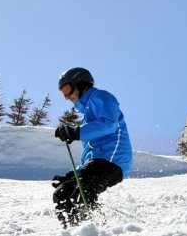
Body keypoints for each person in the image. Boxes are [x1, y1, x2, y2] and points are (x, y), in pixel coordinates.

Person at [51, 67, 132, 228]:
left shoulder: (102, 97)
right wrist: (73, 174)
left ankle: (97, 228)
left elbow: (109, 124)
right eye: (62, 93)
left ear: (80, 83)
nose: (66, 96)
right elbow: (90, 154)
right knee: (62, 193)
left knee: (82, 192)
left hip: (113, 160)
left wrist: (76, 132)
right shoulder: (86, 118)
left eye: (67, 89)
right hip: (97, 163)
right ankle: (74, 229)